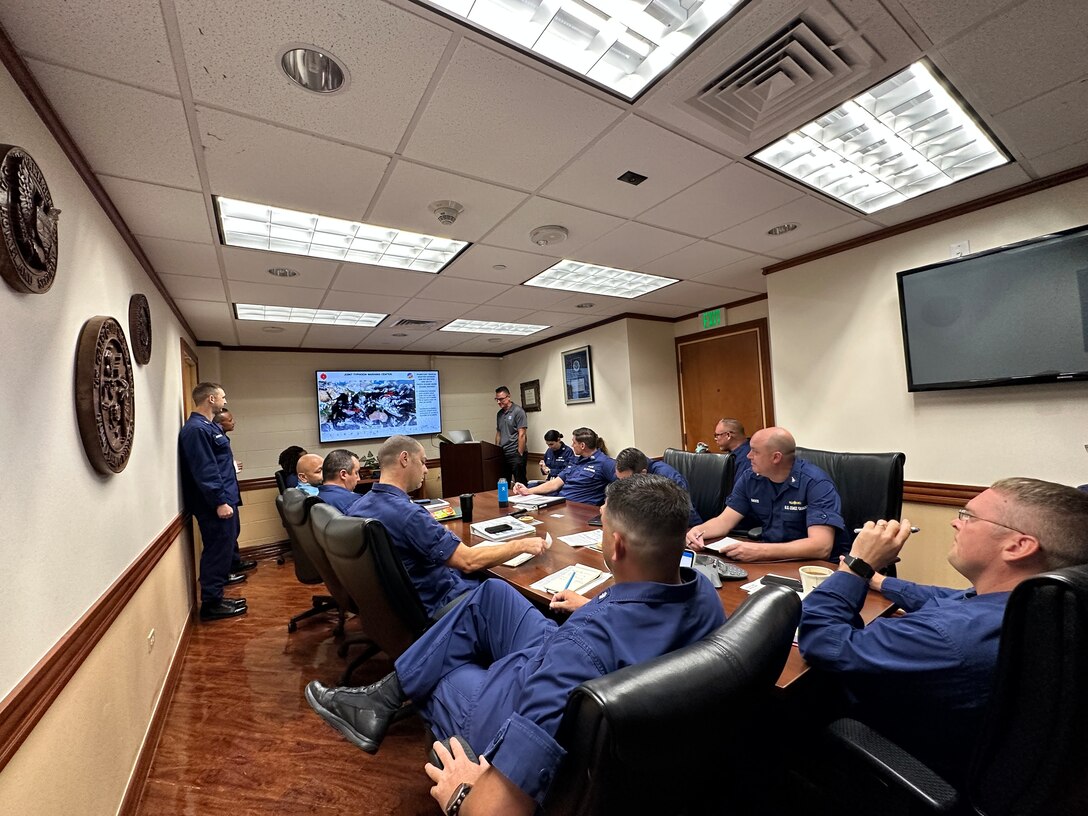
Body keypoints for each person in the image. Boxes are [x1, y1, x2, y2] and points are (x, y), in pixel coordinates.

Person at [304, 475, 725, 814]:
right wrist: (590, 607)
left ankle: (386, 702)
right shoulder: (703, 592)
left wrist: (461, 795)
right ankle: (381, 699)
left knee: (444, 671)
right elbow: (632, 625)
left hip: (526, 690)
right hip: (575, 651)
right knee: (490, 596)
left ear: (615, 545)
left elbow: (498, 810)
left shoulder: (579, 649)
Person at [798, 478, 1088, 784]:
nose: (955, 522)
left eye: (969, 517)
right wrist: (882, 581)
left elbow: (821, 639)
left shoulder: (947, 636)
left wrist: (857, 565)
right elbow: (951, 599)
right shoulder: (1037, 604)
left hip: (903, 754)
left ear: (1018, 546)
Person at [344, 435, 548, 618]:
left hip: (396, 611)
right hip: (443, 606)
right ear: (405, 459)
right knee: (514, 591)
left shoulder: (357, 506)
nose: (425, 469)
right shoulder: (410, 515)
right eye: (423, 462)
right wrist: (521, 545)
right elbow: (468, 561)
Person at [685, 426, 848, 561]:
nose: (748, 456)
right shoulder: (750, 478)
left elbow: (821, 547)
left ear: (776, 457)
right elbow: (724, 521)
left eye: (755, 451)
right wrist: (698, 531)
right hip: (773, 559)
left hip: (816, 566)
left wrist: (760, 551)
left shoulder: (816, 483)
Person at [178, 382, 246, 621]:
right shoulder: (196, 430)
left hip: (226, 497)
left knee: (224, 547)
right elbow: (205, 469)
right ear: (211, 399)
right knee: (217, 550)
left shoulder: (208, 426)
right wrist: (219, 501)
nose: (225, 401)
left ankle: (217, 597)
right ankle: (211, 603)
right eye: (222, 397)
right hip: (215, 504)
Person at [513, 427, 616, 506]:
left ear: (582, 446)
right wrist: (528, 491)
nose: (572, 445)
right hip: (560, 503)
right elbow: (555, 484)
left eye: (574, 442)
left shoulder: (605, 463)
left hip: (581, 509)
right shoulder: (575, 461)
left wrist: (608, 505)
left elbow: (626, 484)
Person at [614, 447, 702, 526]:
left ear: (643, 473)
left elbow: (685, 514)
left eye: (626, 480)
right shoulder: (636, 473)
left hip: (685, 529)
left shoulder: (667, 479)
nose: (624, 485)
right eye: (620, 480)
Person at [212, 409, 251, 585]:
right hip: (224, 495)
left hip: (231, 491)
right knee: (225, 537)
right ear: (221, 423)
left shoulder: (223, 437)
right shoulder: (211, 436)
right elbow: (213, 469)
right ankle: (225, 574)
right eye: (230, 420)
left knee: (234, 531)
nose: (233, 422)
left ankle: (234, 563)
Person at [494, 386, 528, 487]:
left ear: (508, 397)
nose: (498, 402)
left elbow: (522, 434)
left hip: (515, 453)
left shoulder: (518, 411)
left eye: (501, 399)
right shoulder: (499, 414)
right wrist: (497, 450)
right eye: (497, 399)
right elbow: (498, 433)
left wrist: (520, 454)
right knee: (504, 484)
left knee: (520, 483)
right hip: (503, 454)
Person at [714, 418, 752, 484]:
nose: (715, 439)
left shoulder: (747, 457)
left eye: (717, 435)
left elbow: (739, 490)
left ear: (728, 435)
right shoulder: (737, 454)